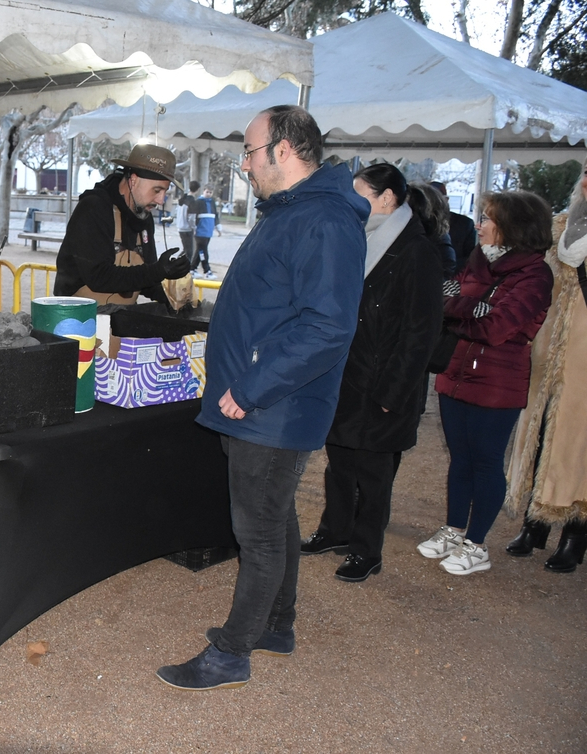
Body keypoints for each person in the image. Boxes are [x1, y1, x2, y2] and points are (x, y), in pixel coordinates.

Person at [156, 105, 367, 691]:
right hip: (262, 402)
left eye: (249, 151)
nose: (243, 164)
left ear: (283, 150)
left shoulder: (322, 220)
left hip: (273, 405)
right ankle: (276, 624)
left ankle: (232, 652)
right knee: (275, 520)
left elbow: (326, 327)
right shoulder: (295, 212)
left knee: (259, 530)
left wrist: (249, 389)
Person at [301, 164, 444, 582]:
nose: (352, 201)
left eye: (361, 193)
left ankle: (367, 549)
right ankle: (336, 530)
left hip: (384, 383)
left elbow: (422, 331)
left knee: (375, 473)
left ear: (387, 198)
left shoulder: (416, 251)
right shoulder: (358, 238)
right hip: (347, 375)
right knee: (339, 462)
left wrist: (393, 392)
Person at [417, 191, 554, 575]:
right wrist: (471, 309)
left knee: (486, 462)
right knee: (460, 459)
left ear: (513, 226)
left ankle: (476, 545)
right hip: (456, 374)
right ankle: (454, 529)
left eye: (489, 219)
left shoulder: (535, 274)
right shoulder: (478, 260)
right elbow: (444, 297)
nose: (480, 225)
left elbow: (497, 328)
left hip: (497, 382)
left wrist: (465, 309)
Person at [504, 163, 587, 572]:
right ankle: (534, 523)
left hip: (585, 359)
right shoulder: (558, 226)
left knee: (577, 444)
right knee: (535, 434)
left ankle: (575, 533)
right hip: (547, 352)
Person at [53, 144, 191, 308]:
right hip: (78, 318)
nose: (161, 201)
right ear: (133, 181)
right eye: (156, 190)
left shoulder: (142, 215)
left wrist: (172, 290)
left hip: (119, 316)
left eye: (165, 192)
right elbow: (98, 277)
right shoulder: (93, 208)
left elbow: (145, 277)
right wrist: (157, 271)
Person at [431, 181, 477, 273]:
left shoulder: (465, 224)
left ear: (446, 200)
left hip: (455, 279)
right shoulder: (416, 224)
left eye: (436, 200)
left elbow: (470, 258)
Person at [192, 185, 220, 280]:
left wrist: (218, 227)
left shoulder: (212, 202)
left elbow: (215, 215)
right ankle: (207, 270)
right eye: (207, 192)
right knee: (203, 251)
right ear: (203, 191)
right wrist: (194, 227)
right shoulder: (198, 202)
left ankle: (192, 268)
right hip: (200, 230)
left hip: (208, 230)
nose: (208, 194)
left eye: (210, 192)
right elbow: (194, 215)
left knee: (200, 251)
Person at [176, 181, 198, 270]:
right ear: (197, 190)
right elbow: (191, 218)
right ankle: (185, 268)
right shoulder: (191, 201)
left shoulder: (182, 199)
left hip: (180, 226)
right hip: (187, 228)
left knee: (185, 249)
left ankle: (177, 262)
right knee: (189, 251)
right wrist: (194, 227)